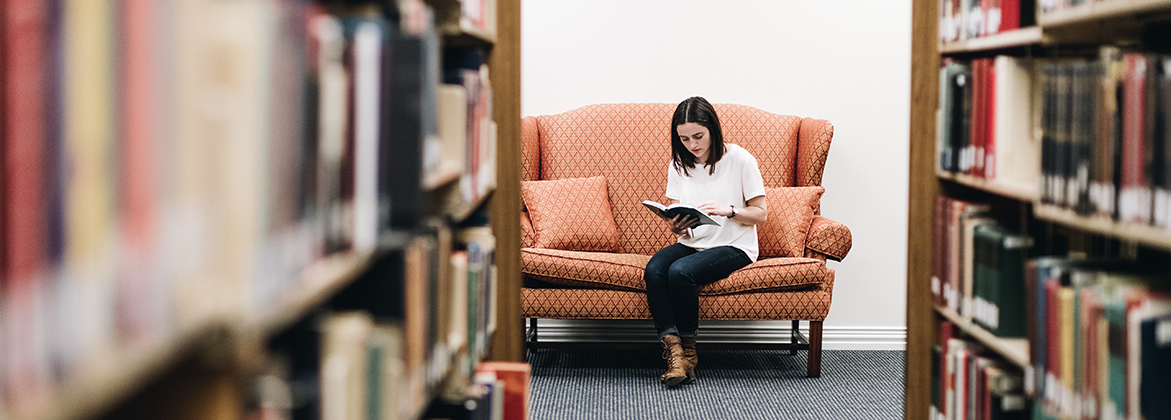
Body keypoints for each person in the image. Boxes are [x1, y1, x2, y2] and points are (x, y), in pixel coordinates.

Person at [645, 96, 767, 387]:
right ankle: (675, 354)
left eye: (698, 136)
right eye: (684, 138)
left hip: (735, 244)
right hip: (694, 242)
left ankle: (689, 353)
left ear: (713, 128)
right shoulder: (678, 164)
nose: (692, 145)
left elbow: (761, 214)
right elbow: (677, 211)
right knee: (654, 269)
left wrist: (731, 211)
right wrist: (677, 226)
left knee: (681, 272)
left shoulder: (739, 159)